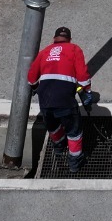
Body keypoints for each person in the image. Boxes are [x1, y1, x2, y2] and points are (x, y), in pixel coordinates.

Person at [26, 27, 94, 173]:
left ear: (54, 38)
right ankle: (75, 163)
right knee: (74, 131)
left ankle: (58, 146)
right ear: (69, 39)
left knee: (53, 126)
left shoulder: (44, 51)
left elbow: (31, 78)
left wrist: (37, 87)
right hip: (64, 98)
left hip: (45, 97)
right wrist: (86, 93)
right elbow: (82, 76)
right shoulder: (74, 49)